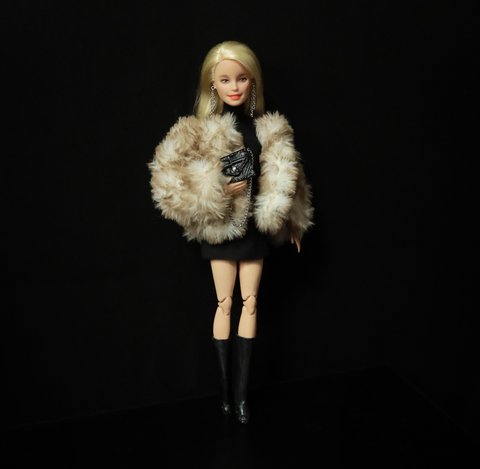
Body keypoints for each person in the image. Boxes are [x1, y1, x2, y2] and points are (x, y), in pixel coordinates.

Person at [148, 40, 314, 424]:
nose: (234, 86)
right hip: (221, 230)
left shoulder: (269, 128)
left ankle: (241, 399)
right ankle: (224, 393)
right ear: (212, 83)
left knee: (250, 303)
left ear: (253, 81)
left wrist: (295, 221)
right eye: (225, 80)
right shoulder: (197, 130)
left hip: (255, 230)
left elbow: (291, 177)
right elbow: (166, 181)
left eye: (241, 78)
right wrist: (217, 192)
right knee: (224, 303)